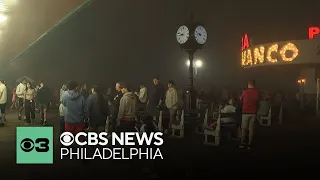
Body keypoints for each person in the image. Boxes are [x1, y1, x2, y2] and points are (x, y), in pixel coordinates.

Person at [239, 80, 260, 149]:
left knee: (244, 129)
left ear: (248, 84)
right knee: (251, 129)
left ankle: (242, 143)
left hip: (245, 112)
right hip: (253, 112)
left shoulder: (244, 92)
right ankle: (249, 144)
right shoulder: (257, 92)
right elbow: (258, 102)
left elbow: (241, 101)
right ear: (254, 84)